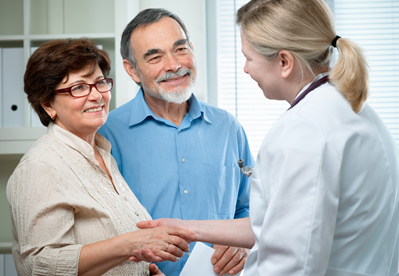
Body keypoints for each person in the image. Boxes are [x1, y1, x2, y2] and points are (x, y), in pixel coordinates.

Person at [136, 0, 399, 275]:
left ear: (284, 62)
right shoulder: (354, 111)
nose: (245, 69)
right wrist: (189, 228)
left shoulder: (304, 129)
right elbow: (278, 222)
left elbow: (292, 263)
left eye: (249, 58)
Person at [6, 38, 196, 276]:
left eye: (99, 83)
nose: (96, 96)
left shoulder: (103, 153)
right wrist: (132, 243)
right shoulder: (41, 166)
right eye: (78, 88)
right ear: (47, 105)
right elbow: (39, 266)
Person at [97, 8, 255, 276]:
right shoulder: (106, 135)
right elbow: (99, 228)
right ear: (132, 70)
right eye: (155, 56)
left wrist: (243, 246)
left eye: (180, 49)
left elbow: (248, 208)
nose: (174, 65)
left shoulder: (229, 128)